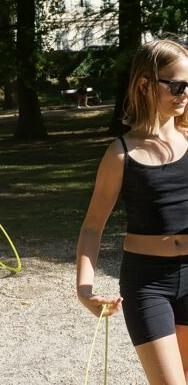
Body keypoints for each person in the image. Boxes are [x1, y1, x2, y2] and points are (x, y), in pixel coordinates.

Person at [76, 39, 188, 383]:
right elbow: (92, 226)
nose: (185, 93)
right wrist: (84, 289)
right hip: (147, 283)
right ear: (145, 85)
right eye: (177, 85)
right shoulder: (121, 154)